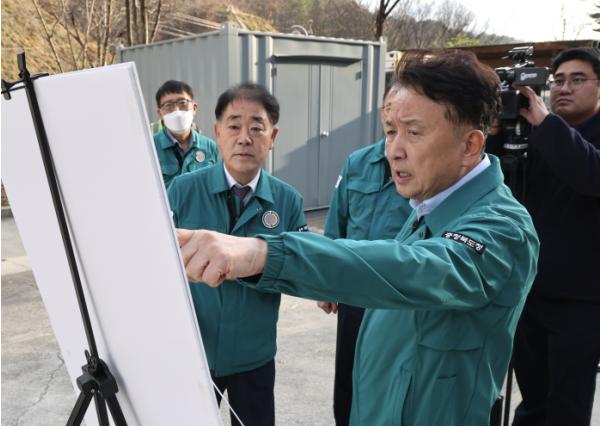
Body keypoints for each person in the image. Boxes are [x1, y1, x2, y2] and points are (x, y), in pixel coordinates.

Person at [176, 51, 540, 424]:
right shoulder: (429, 207)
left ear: (470, 146)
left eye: (413, 132)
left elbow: (419, 269)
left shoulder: (502, 227)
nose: (393, 151)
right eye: (390, 131)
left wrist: (264, 254)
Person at [167, 82, 307, 426]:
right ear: (217, 133)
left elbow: (300, 270)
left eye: (256, 128)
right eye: (234, 126)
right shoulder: (183, 190)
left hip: (254, 356)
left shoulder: (287, 201)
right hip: (195, 353)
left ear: (272, 137)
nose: (244, 138)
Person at [487, 47, 600, 426]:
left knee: (567, 403)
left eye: (578, 79)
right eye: (559, 80)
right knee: (533, 398)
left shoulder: (550, 129)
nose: (565, 88)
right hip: (528, 287)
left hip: (582, 298)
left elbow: (590, 176)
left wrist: (546, 123)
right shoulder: (534, 131)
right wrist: (496, 135)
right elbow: (499, 184)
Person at [316, 84, 412, 426]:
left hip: (398, 296)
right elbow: (336, 222)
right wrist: (326, 282)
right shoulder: (357, 162)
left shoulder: (422, 164)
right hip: (354, 291)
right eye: (389, 107)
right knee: (348, 377)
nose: (394, 115)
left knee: (391, 379)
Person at [153, 80, 219, 187]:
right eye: (168, 105)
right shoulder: (151, 147)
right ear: (160, 113)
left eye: (182, 103)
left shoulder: (209, 146)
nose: (176, 111)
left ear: (194, 108)